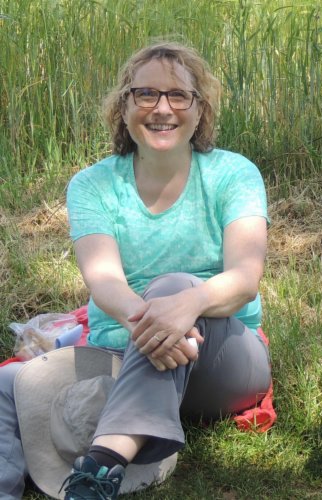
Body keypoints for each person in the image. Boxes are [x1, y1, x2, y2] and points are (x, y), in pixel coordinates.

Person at [0, 41, 272, 499]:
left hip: (223, 361)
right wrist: (156, 325)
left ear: (200, 109)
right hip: (122, 352)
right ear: (123, 107)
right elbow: (104, 282)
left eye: (178, 95)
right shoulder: (93, 185)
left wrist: (185, 305)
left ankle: (100, 467)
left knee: (173, 287)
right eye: (146, 94)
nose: (162, 108)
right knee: (9, 381)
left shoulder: (233, 174)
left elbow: (244, 281)